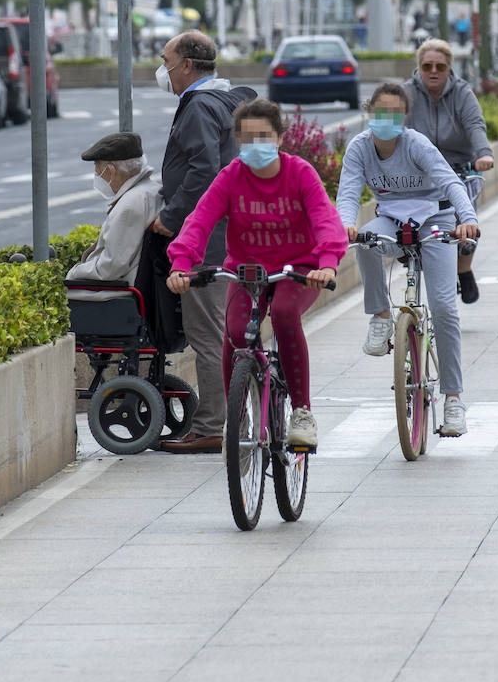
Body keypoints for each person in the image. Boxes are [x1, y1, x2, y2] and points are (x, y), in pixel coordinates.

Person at [165, 99, 347, 448]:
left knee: (282, 313)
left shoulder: (299, 173)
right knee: (234, 334)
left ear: (280, 138)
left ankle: (302, 412)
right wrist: (181, 264)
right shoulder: (231, 176)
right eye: (248, 139)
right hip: (247, 272)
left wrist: (326, 263)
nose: (256, 145)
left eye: (264, 136)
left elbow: (326, 219)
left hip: (300, 270)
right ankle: (239, 416)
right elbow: (199, 221)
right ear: (237, 141)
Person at [336, 83, 480, 437]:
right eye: (379, 112)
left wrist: (468, 219)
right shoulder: (359, 148)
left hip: (437, 220)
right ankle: (382, 317)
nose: (386, 119)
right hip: (393, 219)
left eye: (394, 114)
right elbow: (349, 192)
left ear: (404, 118)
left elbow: (450, 182)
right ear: (369, 113)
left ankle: (453, 400)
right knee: (367, 242)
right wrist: (344, 226)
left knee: (444, 307)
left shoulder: (416, 144)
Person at [153, 30, 257, 454]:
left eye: (166, 61)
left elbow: (203, 171)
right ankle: (240, 419)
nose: (163, 70)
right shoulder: (230, 100)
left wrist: (170, 218)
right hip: (236, 236)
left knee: (208, 336)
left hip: (206, 243)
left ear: (188, 65)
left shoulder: (198, 106)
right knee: (230, 336)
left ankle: (214, 426)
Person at [402, 37, 494, 304]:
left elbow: (475, 125)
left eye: (440, 67)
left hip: (458, 169)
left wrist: (483, 154)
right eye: (427, 65)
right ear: (418, 67)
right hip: (419, 171)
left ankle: (463, 268)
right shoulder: (406, 93)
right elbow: (392, 125)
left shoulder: (463, 93)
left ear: (449, 68)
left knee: (465, 221)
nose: (433, 71)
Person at [65, 131, 159, 298]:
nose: (96, 175)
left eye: (97, 169)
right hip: (127, 286)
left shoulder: (129, 205)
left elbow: (110, 267)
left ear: (111, 171)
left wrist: (74, 272)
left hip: (115, 293)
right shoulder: (151, 190)